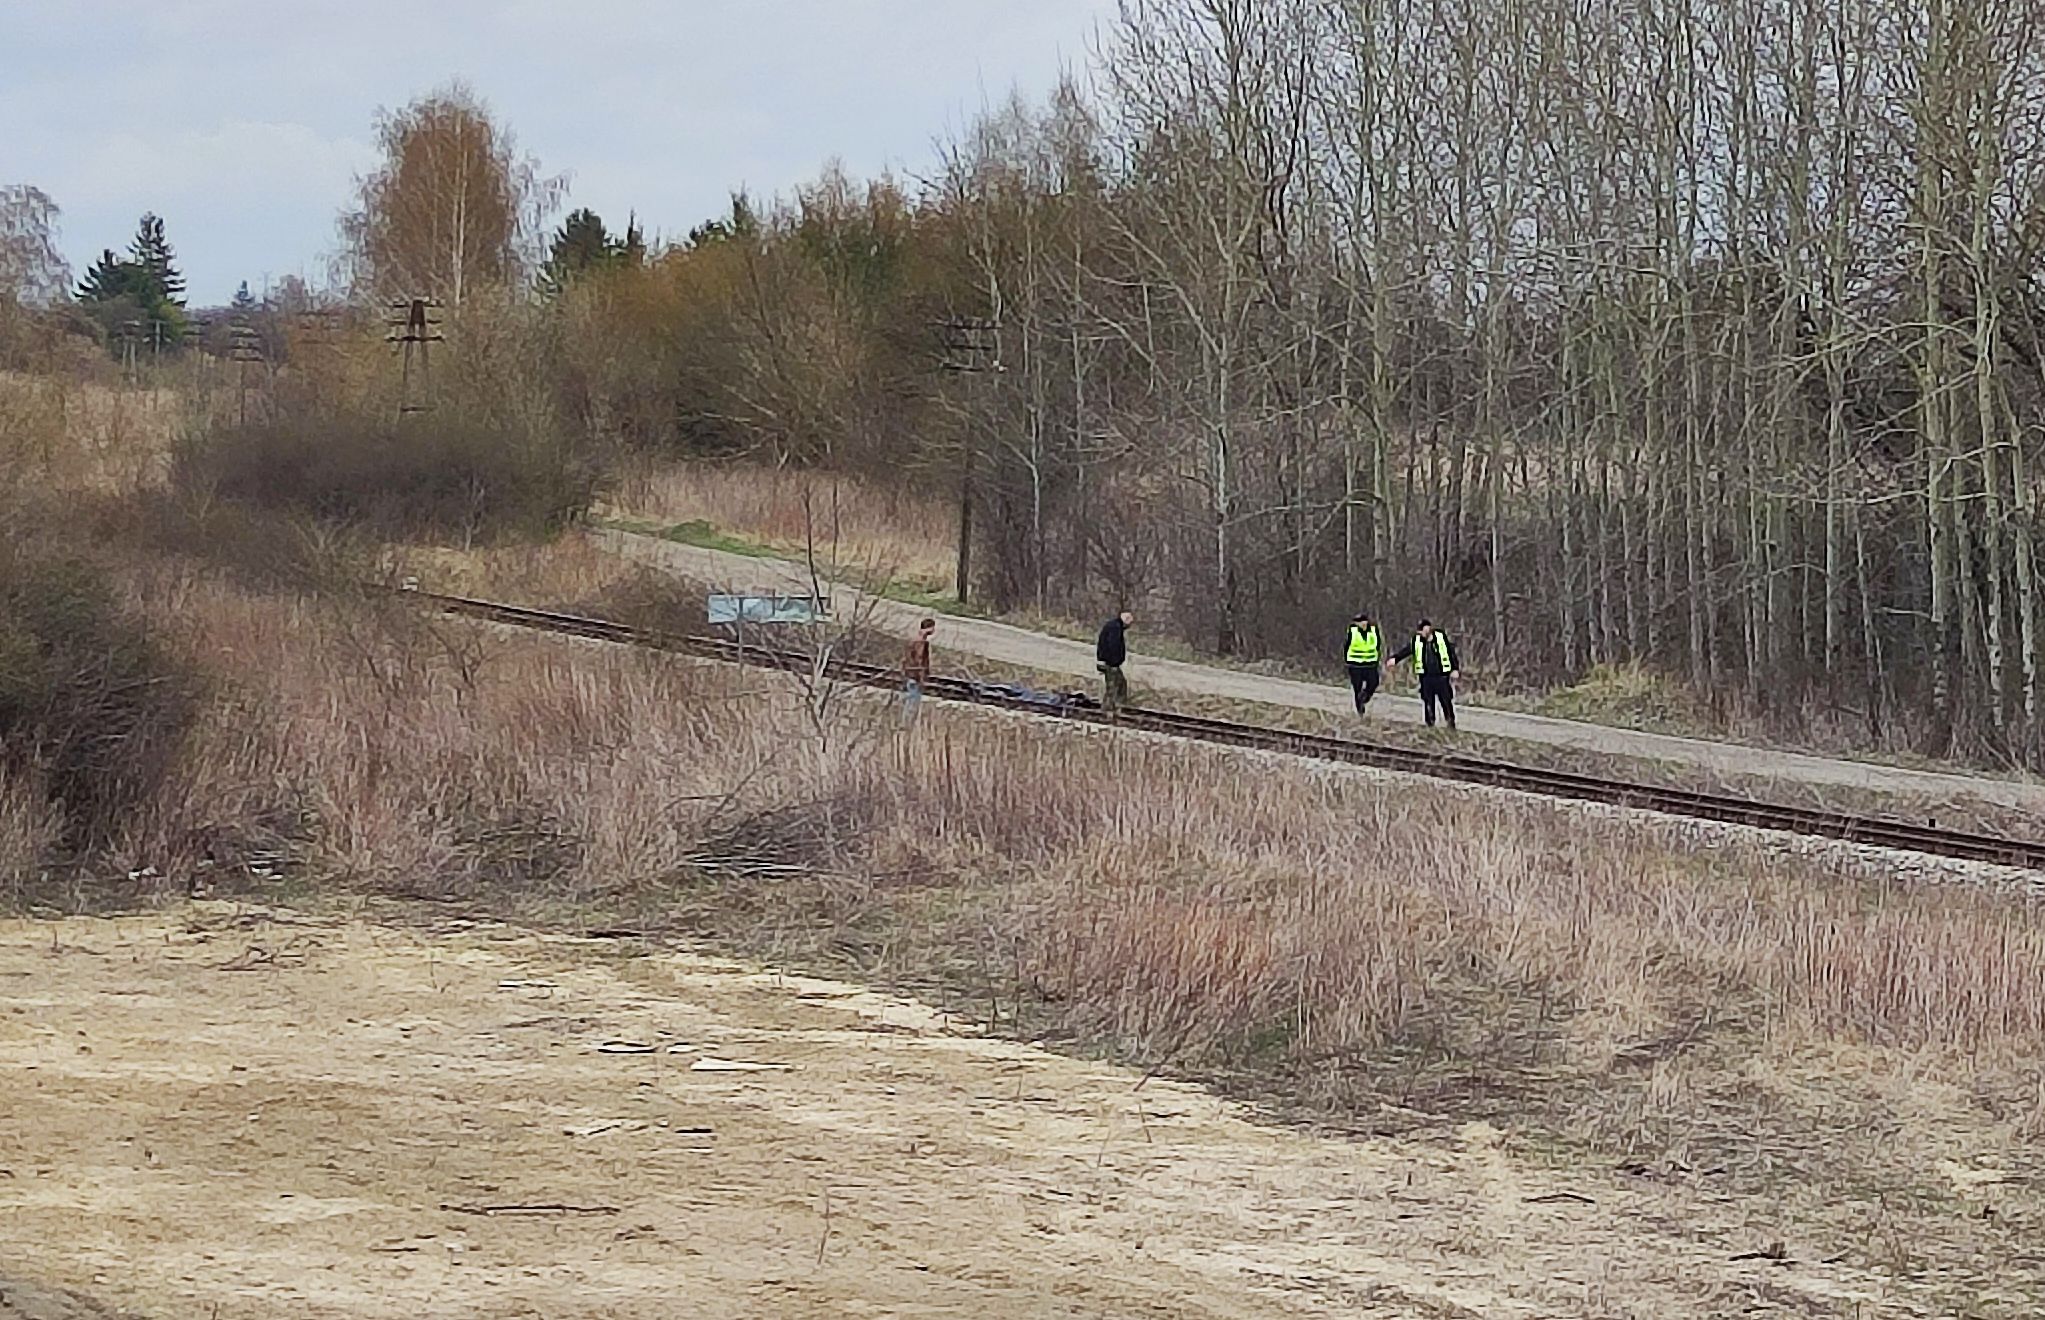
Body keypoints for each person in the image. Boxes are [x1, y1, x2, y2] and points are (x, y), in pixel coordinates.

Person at [1392, 619, 1459, 730]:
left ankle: (1450, 724)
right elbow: (1406, 651)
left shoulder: (1441, 639)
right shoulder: (1417, 641)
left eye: (1422, 631)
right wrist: (1395, 659)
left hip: (1441, 676)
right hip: (1426, 677)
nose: (1420, 634)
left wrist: (1455, 669)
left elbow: (1451, 654)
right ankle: (1430, 725)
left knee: (1446, 701)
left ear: (1428, 629)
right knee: (1428, 701)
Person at [1344, 610, 1382, 715]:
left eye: (1363, 621)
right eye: (1359, 621)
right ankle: (1360, 710)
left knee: (1374, 682)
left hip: (1370, 663)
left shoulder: (1374, 631)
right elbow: (1347, 646)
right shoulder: (1352, 632)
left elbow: (1378, 645)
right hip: (1355, 664)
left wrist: (1377, 657)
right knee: (1357, 687)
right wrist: (1347, 660)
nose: (1362, 623)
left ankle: (1365, 697)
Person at [1095, 610, 1134, 711]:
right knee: (1114, 687)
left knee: (1118, 684)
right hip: (1110, 663)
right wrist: (1114, 661)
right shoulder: (1115, 628)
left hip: (1108, 662)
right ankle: (1109, 709)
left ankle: (1115, 707)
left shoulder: (1114, 626)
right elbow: (1113, 645)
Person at [901, 617, 936, 720]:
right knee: (912, 702)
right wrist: (922, 677)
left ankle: (905, 722)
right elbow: (919, 660)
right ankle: (907, 725)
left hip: (909, 674)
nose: (934, 631)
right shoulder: (921, 643)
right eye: (933, 628)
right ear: (928, 628)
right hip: (915, 676)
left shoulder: (914, 640)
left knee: (910, 700)